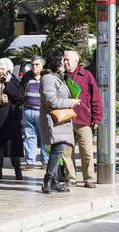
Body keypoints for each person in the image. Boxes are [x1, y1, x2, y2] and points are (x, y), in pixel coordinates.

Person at [63, 50, 102, 188]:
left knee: (86, 152)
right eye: (63, 59)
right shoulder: (61, 76)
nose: (64, 62)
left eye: (67, 59)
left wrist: (97, 118)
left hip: (83, 119)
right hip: (65, 120)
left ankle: (89, 178)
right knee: (67, 152)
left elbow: (96, 98)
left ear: (75, 61)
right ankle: (70, 177)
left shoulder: (86, 75)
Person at [40, 49, 78, 194]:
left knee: (58, 149)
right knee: (58, 149)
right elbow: (51, 100)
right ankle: (48, 180)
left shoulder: (58, 77)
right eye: (62, 61)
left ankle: (54, 181)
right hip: (54, 120)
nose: (64, 63)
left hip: (60, 121)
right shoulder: (48, 78)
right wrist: (71, 102)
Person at [0, 57, 25, 181]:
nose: (0, 71)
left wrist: (8, 83)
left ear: (9, 70)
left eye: (2, 68)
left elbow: (19, 96)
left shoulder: (14, 81)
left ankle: (18, 171)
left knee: (14, 147)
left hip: (11, 119)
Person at [20, 56, 48, 168]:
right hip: (27, 110)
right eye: (32, 64)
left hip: (42, 111)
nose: (34, 67)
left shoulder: (46, 77)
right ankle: (30, 162)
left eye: (37, 64)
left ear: (42, 66)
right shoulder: (27, 77)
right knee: (29, 136)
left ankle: (45, 161)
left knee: (44, 137)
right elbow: (20, 90)